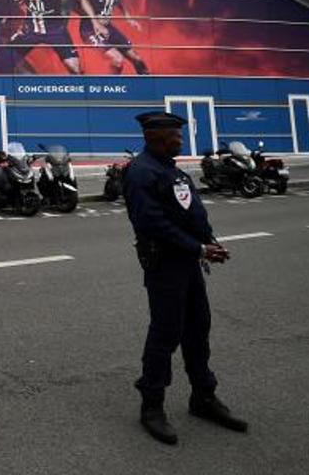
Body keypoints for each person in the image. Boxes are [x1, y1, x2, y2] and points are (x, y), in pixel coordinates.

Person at [123, 111, 248, 446]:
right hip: (165, 265)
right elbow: (151, 223)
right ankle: (151, 405)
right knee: (165, 334)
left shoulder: (171, 169)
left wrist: (209, 241)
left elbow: (191, 211)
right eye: (175, 136)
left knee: (198, 328)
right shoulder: (140, 172)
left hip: (190, 261)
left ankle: (203, 397)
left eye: (180, 135)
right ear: (154, 137)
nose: (180, 141)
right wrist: (199, 248)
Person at [78, 0, 150, 75]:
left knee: (137, 60)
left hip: (108, 28)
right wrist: (95, 22)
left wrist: (129, 18)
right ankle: (109, 89)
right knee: (117, 59)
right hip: (89, 30)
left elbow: (119, 0)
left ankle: (146, 89)